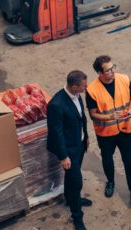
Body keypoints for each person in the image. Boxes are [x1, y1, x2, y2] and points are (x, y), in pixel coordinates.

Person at [86, 55, 131, 207]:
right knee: (107, 159)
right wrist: (109, 116)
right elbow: (92, 114)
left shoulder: (124, 79)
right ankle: (110, 182)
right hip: (105, 134)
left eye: (113, 67)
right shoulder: (91, 90)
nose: (113, 71)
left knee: (129, 160)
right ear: (100, 73)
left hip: (125, 129)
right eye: (108, 70)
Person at [47, 70, 92, 230]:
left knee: (72, 179)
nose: (86, 88)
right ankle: (77, 216)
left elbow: (82, 118)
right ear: (74, 86)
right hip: (68, 150)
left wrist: (85, 136)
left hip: (78, 144)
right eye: (84, 86)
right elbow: (56, 133)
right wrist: (63, 156)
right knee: (77, 182)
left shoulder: (77, 95)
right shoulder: (56, 105)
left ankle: (70, 198)